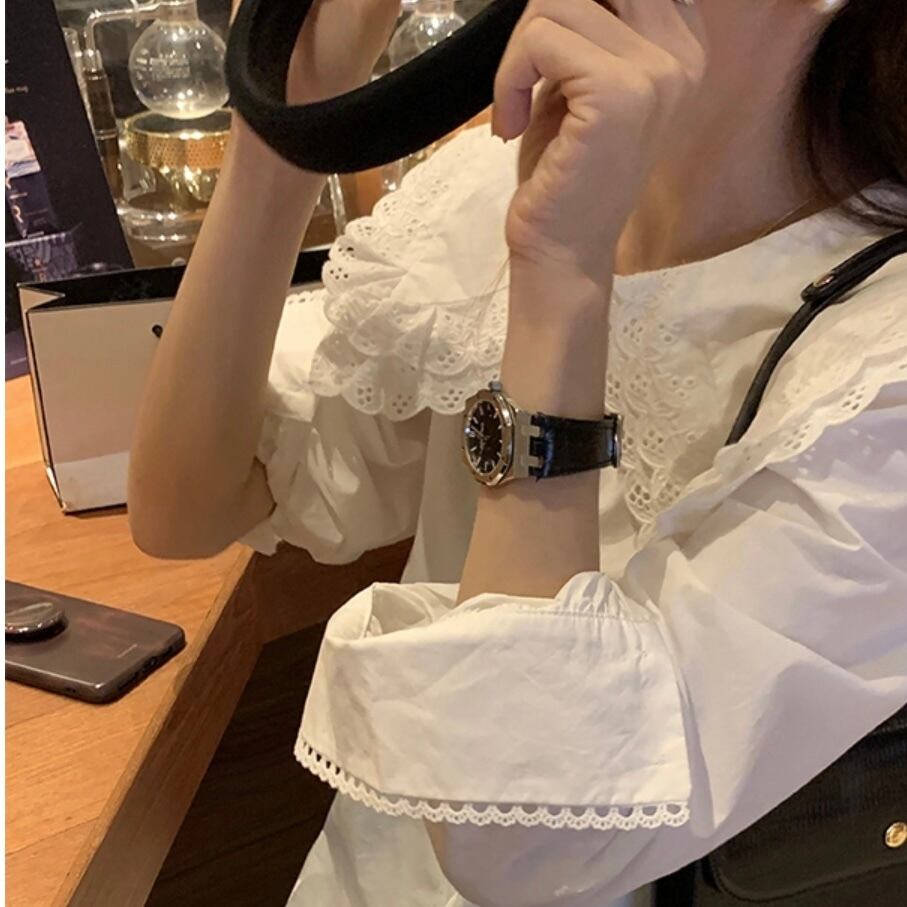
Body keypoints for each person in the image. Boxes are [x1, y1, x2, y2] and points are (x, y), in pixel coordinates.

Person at [127, 0, 907, 904]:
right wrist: (286, 126)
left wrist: (560, 280)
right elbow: (189, 506)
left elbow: (525, 840)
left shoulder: (876, 366)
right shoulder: (499, 183)